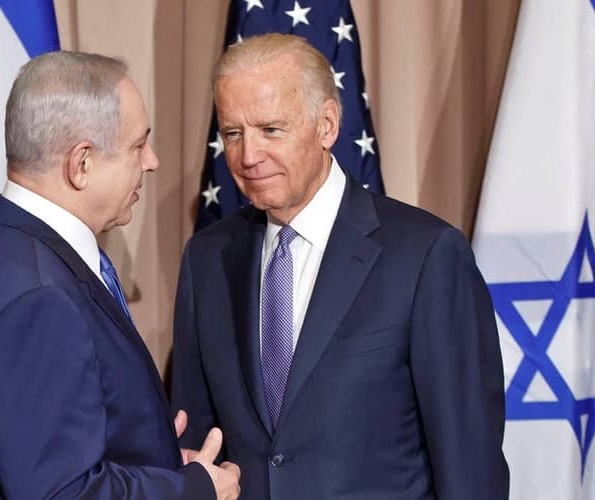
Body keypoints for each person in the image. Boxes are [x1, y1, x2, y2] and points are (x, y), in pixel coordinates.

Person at [171, 33, 508, 499]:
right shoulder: (206, 259)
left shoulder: (425, 255)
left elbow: (469, 468)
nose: (248, 157)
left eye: (271, 130)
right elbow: (196, 448)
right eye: (233, 133)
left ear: (326, 124)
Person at [0, 51, 240, 499]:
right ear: (81, 163)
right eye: (137, 145)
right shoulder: (38, 295)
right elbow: (61, 493)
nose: (152, 161)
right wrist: (192, 490)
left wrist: (156, 458)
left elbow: (40, 448)